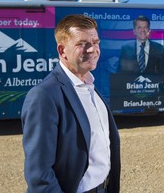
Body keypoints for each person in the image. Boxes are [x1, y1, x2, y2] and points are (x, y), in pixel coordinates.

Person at [21, 14, 121, 193]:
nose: (92, 50)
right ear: (62, 50)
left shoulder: (90, 86)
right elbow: (39, 175)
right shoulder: (44, 96)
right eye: (82, 44)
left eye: (96, 42)